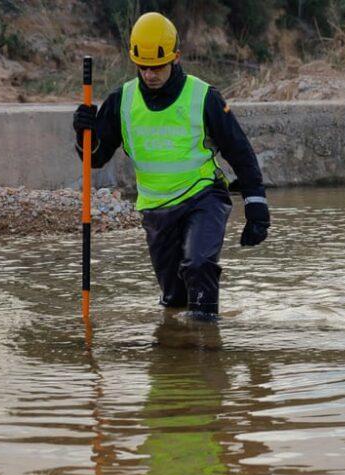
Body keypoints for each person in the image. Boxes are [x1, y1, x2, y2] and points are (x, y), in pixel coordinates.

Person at [73, 12, 269, 322]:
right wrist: (83, 134)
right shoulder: (121, 101)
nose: (149, 75)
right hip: (156, 211)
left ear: (175, 57)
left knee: (199, 264)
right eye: (143, 67)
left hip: (203, 197)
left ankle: (207, 348)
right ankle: (175, 359)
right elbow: (94, 159)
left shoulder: (203, 96)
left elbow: (239, 150)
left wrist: (256, 204)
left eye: (157, 67)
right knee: (174, 299)